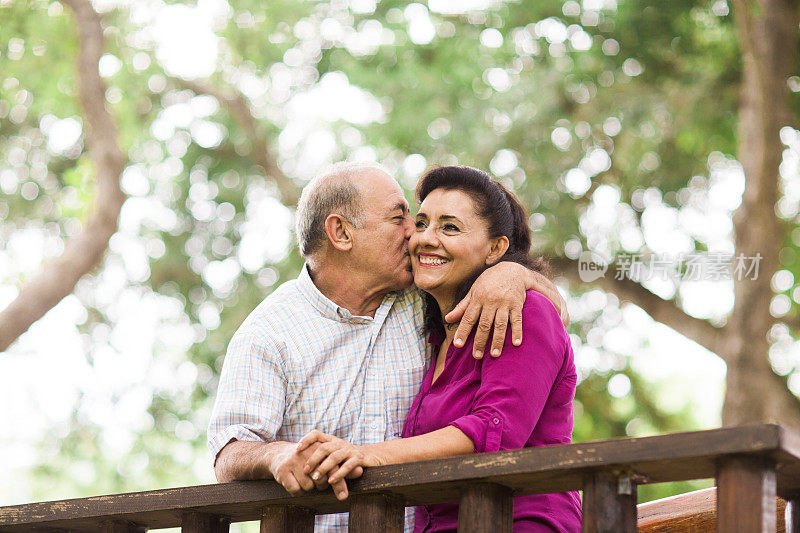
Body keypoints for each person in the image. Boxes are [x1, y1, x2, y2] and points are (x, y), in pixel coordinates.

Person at [207, 162, 568, 532]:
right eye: (402, 219)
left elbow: (532, 313)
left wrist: (512, 273)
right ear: (341, 232)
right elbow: (228, 452)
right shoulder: (269, 333)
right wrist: (277, 455)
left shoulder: (429, 298)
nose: (415, 234)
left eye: (421, 220)